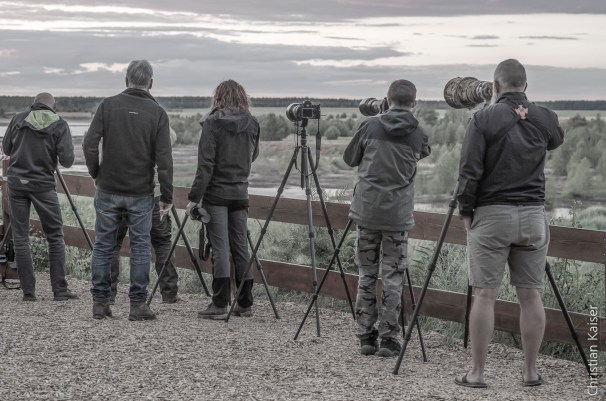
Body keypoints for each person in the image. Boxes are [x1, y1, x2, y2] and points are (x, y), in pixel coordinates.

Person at [455, 59, 564, 388]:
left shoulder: (483, 118)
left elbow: (469, 171)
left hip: (492, 216)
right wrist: (527, 113)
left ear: (496, 86)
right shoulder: (545, 117)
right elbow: (555, 140)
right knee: (531, 297)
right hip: (533, 216)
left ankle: (476, 373)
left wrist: (466, 212)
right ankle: (530, 372)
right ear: (526, 87)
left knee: (485, 296)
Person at [343, 79, 430, 357]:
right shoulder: (419, 133)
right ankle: (389, 339)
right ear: (414, 102)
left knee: (367, 273)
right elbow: (423, 153)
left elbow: (349, 158)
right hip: (398, 215)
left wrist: (377, 117)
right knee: (393, 275)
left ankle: (365, 337)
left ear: (387, 99)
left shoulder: (370, 125)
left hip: (367, 211)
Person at [83, 60, 173, 321]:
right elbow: (165, 160)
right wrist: (166, 196)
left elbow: (89, 143)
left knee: (103, 245)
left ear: (126, 80)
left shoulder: (107, 105)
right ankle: (137, 305)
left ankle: (100, 303)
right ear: (151, 83)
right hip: (141, 191)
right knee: (141, 247)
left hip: (108, 187)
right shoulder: (158, 113)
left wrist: (96, 173)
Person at [185, 79, 260, 320]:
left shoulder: (212, 122)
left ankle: (219, 303)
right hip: (240, 193)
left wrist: (193, 199)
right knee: (240, 246)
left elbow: (205, 164)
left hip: (216, 194)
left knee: (219, 248)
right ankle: (245, 302)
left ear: (217, 97)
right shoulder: (253, 123)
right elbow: (253, 155)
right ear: (242, 97)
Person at [2, 92, 78, 302]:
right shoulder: (60, 124)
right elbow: (68, 160)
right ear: (55, 106)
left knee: (20, 237)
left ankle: (29, 293)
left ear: (33, 104)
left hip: (17, 183)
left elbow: (7, 148)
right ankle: (60, 291)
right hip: (43, 185)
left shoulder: (18, 118)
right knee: (54, 236)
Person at [111, 128, 179, 305]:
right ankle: (169, 292)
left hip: (116, 190)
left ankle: (108, 293)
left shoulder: (113, 119)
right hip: (150, 192)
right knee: (162, 241)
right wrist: (167, 194)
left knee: (112, 242)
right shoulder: (154, 121)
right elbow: (171, 139)